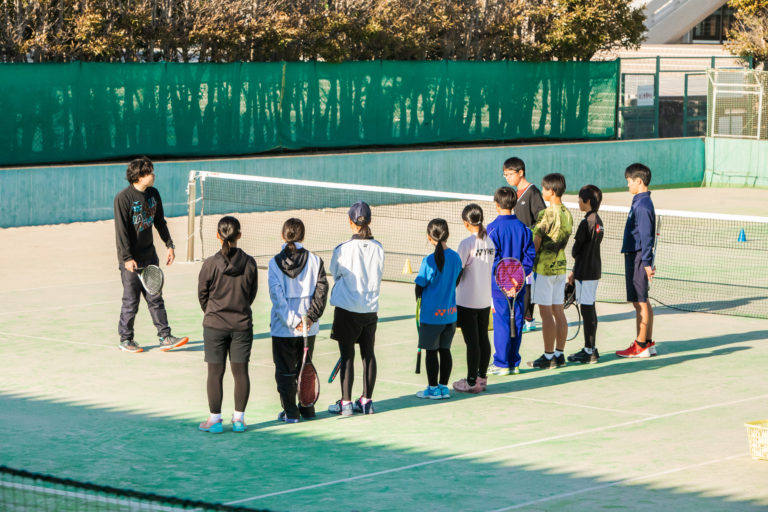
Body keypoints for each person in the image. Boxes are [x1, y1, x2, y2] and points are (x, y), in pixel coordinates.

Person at [113, 156, 188, 353]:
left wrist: (169, 245)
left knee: (155, 298)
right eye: (149, 172)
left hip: (150, 257)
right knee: (131, 301)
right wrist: (127, 258)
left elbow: (160, 221)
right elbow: (121, 231)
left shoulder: (153, 194)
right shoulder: (123, 198)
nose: (154, 175)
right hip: (131, 261)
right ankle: (126, 339)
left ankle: (165, 337)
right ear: (139, 176)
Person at [197, 216, 259, 433]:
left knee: (215, 373)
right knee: (241, 373)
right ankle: (239, 420)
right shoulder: (250, 263)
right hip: (242, 325)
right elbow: (251, 294)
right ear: (239, 235)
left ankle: (214, 420)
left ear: (217, 235)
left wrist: (213, 312)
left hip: (214, 325)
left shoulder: (210, 264)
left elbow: (202, 295)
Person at [268, 218, 329, 423]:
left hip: (283, 328)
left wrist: (294, 321)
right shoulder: (316, 260)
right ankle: (307, 409)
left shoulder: (273, 263)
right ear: (303, 236)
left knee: (285, 372)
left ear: (282, 235)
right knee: (305, 369)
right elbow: (322, 291)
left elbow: (277, 298)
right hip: (308, 329)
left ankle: (291, 412)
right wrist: (310, 318)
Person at [327, 201, 384, 416]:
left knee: (347, 356)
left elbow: (335, 273)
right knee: (368, 355)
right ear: (370, 221)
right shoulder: (379, 248)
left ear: (350, 222)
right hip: (370, 310)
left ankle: (346, 404)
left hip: (347, 310)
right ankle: (367, 402)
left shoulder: (342, 249)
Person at [486, 187, 536, 376]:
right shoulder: (524, 229)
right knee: (517, 322)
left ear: (496, 205)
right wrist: (517, 281)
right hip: (519, 287)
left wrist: (507, 284)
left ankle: (501, 363)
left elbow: (494, 260)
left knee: (502, 324)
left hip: (500, 288)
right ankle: (514, 363)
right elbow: (529, 257)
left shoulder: (492, 229)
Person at [528, 173, 573, 369]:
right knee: (558, 312)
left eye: (544, 189)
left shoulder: (546, 214)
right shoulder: (568, 213)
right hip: (560, 267)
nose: (542, 191)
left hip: (544, 269)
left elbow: (536, 243)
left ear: (552, 191)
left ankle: (548, 357)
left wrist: (528, 262)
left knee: (546, 314)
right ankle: (559, 354)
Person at [415, 219, 463, 400]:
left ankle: (433, 389)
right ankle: (443, 387)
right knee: (445, 350)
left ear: (429, 237)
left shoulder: (428, 260)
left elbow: (419, 286)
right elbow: (457, 279)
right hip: (450, 316)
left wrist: (419, 303)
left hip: (431, 316)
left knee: (431, 352)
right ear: (447, 234)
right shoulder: (456, 258)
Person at [452, 204, 494, 394]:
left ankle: (470, 382)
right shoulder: (490, 242)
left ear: (466, 223)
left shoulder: (466, 244)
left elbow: (457, 271)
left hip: (467, 301)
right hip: (484, 300)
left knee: (472, 342)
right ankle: (481, 378)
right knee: (483, 338)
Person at [617, 163, 658, 358]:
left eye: (629, 181)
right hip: (636, 255)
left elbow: (646, 236)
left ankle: (640, 345)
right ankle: (647, 342)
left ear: (639, 181)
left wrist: (647, 262)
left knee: (639, 302)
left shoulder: (642, 205)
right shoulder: (640, 202)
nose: (628, 185)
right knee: (642, 300)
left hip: (638, 257)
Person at [503, 157, 546, 333]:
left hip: (529, 248)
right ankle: (525, 317)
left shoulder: (532, 192)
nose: (507, 178)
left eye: (510, 174)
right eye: (505, 175)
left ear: (520, 173)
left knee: (527, 282)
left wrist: (530, 240)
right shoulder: (515, 194)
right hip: (518, 248)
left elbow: (542, 221)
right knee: (521, 281)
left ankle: (527, 319)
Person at [567, 185, 604, 364]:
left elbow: (576, 250)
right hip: (592, 270)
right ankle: (590, 348)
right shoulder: (598, 221)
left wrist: (575, 270)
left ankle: (590, 350)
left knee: (587, 309)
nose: (578, 202)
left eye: (580, 199)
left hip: (586, 272)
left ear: (587, 201)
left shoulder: (586, 223)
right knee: (589, 307)